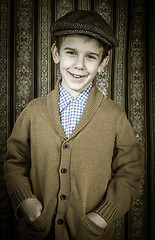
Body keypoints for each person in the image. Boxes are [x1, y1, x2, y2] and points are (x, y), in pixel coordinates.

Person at [4, 10, 144, 240]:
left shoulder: (115, 116)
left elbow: (131, 170)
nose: (79, 65)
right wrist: (25, 199)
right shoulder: (34, 110)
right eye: (71, 53)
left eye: (90, 57)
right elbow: (15, 160)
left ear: (103, 63)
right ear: (56, 53)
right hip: (38, 232)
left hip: (90, 233)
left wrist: (104, 215)